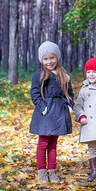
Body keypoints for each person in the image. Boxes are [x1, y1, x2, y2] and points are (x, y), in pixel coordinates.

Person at [30, 41, 74, 183]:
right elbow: (35, 92)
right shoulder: (40, 74)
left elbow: (69, 92)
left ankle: (52, 171)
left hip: (58, 112)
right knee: (43, 143)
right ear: (42, 60)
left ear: (57, 57)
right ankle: (42, 172)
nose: (49, 62)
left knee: (53, 144)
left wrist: (69, 105)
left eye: (52, 58)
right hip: (45, 114)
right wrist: (43, 107)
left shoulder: (63, 74)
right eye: (46, 59)